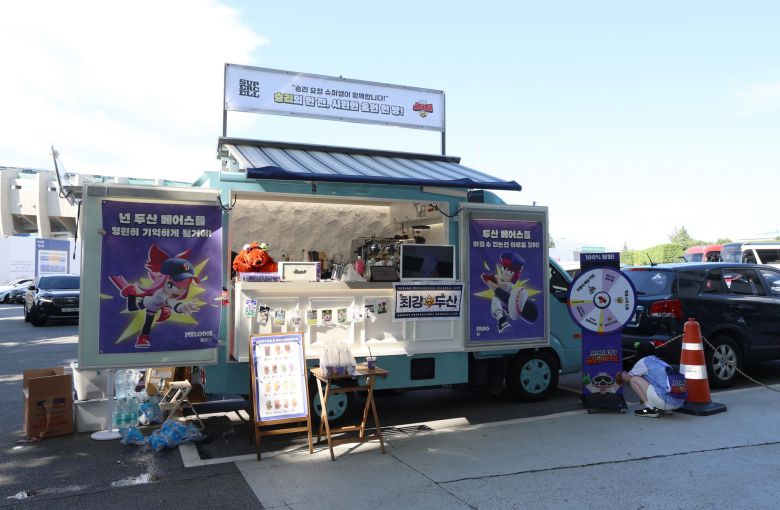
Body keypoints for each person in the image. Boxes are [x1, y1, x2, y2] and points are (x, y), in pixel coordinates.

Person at [617, 343, 686, 418]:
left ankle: (650, 409)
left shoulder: (644, 361)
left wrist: (622, 374)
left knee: (633, 379)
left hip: (665, 402)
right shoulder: (659, 361)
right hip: (678, 402)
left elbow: (627, 378)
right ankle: (667, 410)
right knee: (655, 381)